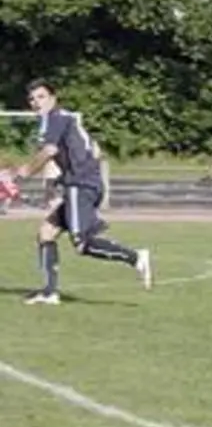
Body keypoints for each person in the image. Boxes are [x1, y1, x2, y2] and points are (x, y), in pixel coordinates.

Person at [7, 79, 151, 305]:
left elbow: (49, 151)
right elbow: (94, 150)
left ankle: (136, 257)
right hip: (82, 183)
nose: (36, 102)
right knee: (46, 233)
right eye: (32, 99)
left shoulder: (54, 118)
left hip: (80, 185)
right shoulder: (66, 118)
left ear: (53, 98)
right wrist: (56, 183)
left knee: (82, 244)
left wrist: (24, 172)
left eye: (41, 97)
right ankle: (50, 292)